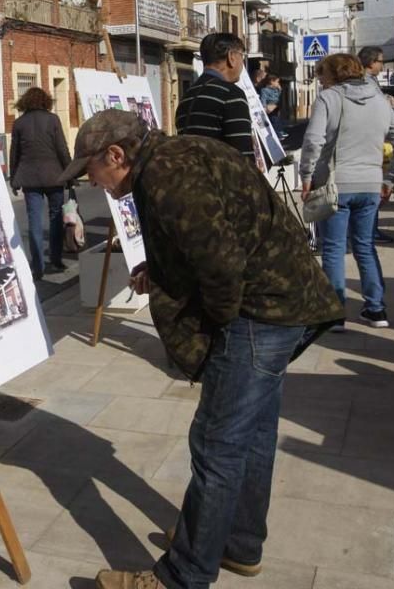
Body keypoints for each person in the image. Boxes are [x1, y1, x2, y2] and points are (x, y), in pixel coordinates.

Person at [56, 110, 342, 589]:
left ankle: (183, 576)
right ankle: (236, 542)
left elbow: (222, 267)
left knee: (217, 444)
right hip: (282, 303)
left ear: (115, 155)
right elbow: (209, 236)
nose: (94, 182)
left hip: (260, 313)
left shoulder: (167, 174)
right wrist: (163, 266)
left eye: (92, 170)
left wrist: (222, 329)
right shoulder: (175, 156)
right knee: (250, 436)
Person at [300, 53, 394, 330]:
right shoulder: (380, 101)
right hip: (372, 185)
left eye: (322, 74)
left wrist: (306, 175)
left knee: (334, 249)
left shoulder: (328, 98)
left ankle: (335, 315)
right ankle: (376, 310)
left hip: (336, 185)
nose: (320, 80)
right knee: (365, 246)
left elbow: (314, 140)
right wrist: (391, 180)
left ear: (336, 74)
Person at [9, 86, 73, 279]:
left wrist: (14, 179)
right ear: (46, 101)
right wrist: (70, 172)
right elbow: (62, 148)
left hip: (29, 178)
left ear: (25, 102)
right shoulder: (53, 120)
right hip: (54, 176)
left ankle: (37, 267)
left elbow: (15, 153)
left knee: (34, 221)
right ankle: (55, 259)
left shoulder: (19, 123)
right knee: (55, 218)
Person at [175, 32, 255, 160]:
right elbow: (243, 157)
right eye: (242, 56)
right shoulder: (231, 94)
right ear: (231, 57)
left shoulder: (186, 98)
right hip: (222, 178)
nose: (243, 64)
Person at [358, 46, 394, 244]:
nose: (382, 64)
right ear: (371, 63)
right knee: (373, 190)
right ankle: (369, 232)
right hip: (368, 144)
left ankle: (371, 230)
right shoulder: (365, 83)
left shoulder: (369, 82)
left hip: (370, 143)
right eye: (381, 61)